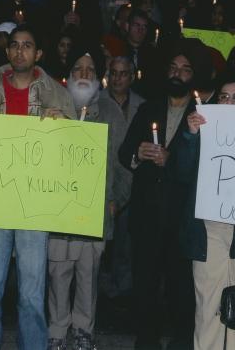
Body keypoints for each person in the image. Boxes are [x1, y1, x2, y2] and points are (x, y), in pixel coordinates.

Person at [0, 25, 76, 350]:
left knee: (31, 292)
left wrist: (64, 129)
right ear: (7, 51)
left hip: (35, 204)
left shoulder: (58, 94)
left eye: (27, 46)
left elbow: (73, 151)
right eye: (14, 45)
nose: (19, 51)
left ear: (38, 53)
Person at [170, 77, 235, 350]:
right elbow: (180, 174)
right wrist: (190, 136)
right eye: (224, 97)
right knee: (208, 309)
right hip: (208, 231)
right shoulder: (202, 133)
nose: (229, 102)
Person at [118, 42, 200, 349]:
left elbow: (208, 165)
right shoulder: (149, 108)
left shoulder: (203, 113)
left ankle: (181, 343)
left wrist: (173, 160)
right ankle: (147, 341)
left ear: (194, 75)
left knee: (182, 290)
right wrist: (138, 154)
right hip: (148, 215)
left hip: (183, 219)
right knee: (145, 287)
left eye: (185, 69)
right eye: (173, 68)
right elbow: (124, 153)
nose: (178, 74)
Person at [47, 46, 107, 350]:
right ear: (67, 77)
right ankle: (57, 330)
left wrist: (115, 200)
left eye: (90, 70)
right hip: (58, 209)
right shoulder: (52, 107)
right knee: (59, 271)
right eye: (78, 70)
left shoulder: (108, 111)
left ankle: (84, 329)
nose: (84, 75)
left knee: (88, 274)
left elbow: (121, 165)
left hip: (94, 211)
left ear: (98, 78)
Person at [97, 56, 144, 302]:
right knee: (102, 246)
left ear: (132, 76)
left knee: (127, 243)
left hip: (133, 182)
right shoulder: (95, 102)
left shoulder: (142, 105)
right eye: (113, 73)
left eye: (123, 73)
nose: (118, 78)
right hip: (101, 183)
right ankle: (102, 293)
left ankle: (124, 295)